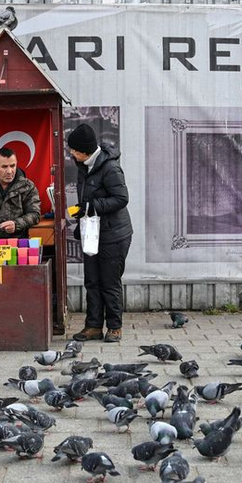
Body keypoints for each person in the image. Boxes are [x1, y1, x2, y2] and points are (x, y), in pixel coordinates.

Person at [67, 123, 132, 343]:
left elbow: (122, 199)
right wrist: (82, 215)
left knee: (109, 282)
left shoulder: (110, 167)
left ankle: (115, 327)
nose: (71, 154)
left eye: (74, 150)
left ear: (84, 150)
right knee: (92, 281)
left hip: (114, 235)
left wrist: (91, 207)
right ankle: (93, 326)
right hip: (92, 233)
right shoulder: (83, 165)